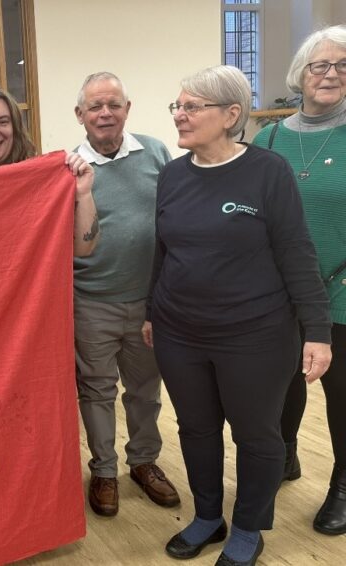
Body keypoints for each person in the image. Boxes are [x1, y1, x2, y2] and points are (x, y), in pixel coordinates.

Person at [143, 65, 332, 566]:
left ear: (231, 115)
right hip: (179, 332)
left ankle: (249, 526)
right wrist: (150, 313)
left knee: (257, 434)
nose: (180, 116)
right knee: (196, 428)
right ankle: (209, 515)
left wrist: (316, 330)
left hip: (257, 335)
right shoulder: (172, 175)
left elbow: (297, 252)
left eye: (191, 107)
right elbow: (162, 251)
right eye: (176, 106)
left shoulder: (268, 171)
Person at [71, 72, 179, 517]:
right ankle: (104, 470)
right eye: (95, 106)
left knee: (145, 390)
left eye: (113, 104)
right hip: (90, 301)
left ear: (127, 109)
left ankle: (144, 462)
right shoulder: (66, 167)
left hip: (149, 301)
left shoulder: (155, 152)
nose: (105, 113)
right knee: (96, 391)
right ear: (80, 115)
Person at [253, 24, 346, 536]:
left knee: (342, 392)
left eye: (341, 65)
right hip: (279, 294)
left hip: (343, 292)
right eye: (320, 65)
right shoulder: (269, 137)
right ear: (301, 75)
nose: (330, 74)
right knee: (282, 384)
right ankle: (285, 456)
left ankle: (344, 486)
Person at [0, 87, 98, 257]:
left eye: (3, 122)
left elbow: (84, 249)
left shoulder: (40, 183)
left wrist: (83, 194)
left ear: (14, 129)